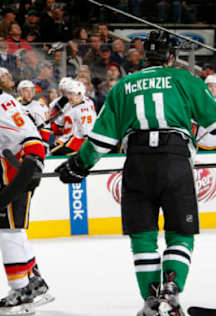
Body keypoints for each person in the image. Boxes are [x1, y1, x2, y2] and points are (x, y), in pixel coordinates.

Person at [54, 31, 216, 315]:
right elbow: (213, 130)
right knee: (180, 232)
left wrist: (79, 164)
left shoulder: (124, 85)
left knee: (143, 237)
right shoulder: (187, 80)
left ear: (143, 56)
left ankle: (152, 302)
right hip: (174, 160)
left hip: (137, 161)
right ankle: (171, 291)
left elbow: (101, 140)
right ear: (171, 57)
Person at [0, 57, 54, 315]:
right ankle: (34, 282)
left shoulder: (4, 105)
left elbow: (34, 145)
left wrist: (14, 188)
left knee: (9, 234)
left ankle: (21, 291)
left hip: (14, 180)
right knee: (12, 232)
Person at [50, 79, 96, 156]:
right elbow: (58, 124)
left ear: (79, 95)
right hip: (66, 138)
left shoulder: (85, 110)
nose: (69, 97)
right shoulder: (68, 105)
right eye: (68, 94)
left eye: (72, 94)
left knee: (53, 151)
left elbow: (87, 134)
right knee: (51, 149)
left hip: (77, 141)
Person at [17, 80, 51, 147]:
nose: (30, 93)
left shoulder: (39, 106)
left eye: (31, 91)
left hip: (35, 142)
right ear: (20, 93)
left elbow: (45, 128)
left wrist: (43, 145)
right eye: (26, 91)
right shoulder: (15, 107)